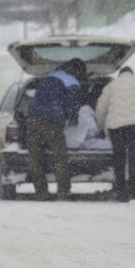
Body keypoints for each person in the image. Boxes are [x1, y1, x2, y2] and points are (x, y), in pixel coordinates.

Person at [22, 58, 86, 201]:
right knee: (60, 157)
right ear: (78, 71)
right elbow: (73, 104)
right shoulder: (72, 81)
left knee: (35, 158)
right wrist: (73, 118)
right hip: (51, 120)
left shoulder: (48, 77)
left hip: (32, 118)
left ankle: (41, 193)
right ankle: (63, 192)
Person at [95, 66, 135, 202]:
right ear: (132, 74)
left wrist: (100, 125)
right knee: (134, 158)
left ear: (120, 75)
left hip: (116, 128)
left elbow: (101, 108)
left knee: (119, 158)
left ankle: (121, 191)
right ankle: (134, 190)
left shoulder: (111, 86)